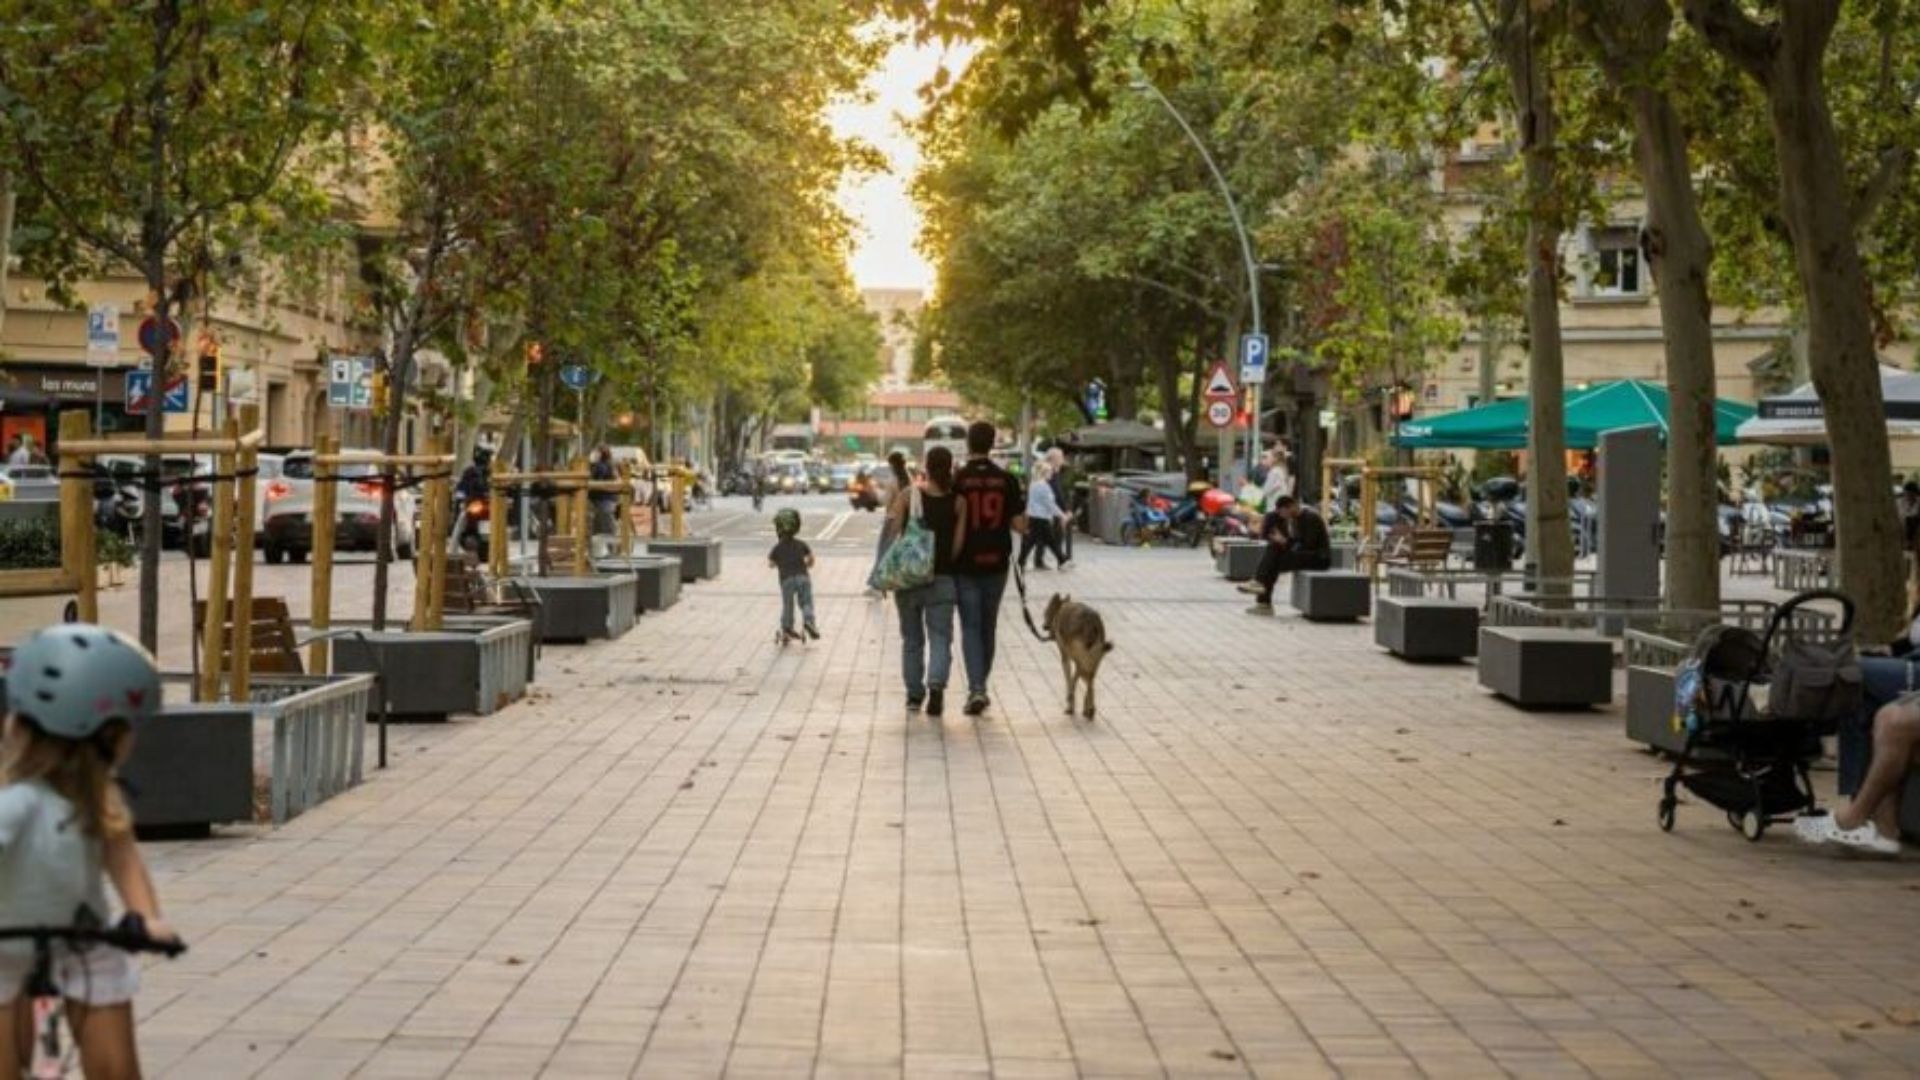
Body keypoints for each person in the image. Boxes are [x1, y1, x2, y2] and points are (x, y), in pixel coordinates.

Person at [0, 624, 177, 1077]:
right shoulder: (17, 804)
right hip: (6, 949)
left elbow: (123, 860)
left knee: (116, 1065)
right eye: (126, 728)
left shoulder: (102, 799)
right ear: (96, 733)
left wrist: (147, 919)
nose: (131, 740)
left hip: (85, 939)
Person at [952, 421, 1025, 716]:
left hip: (965, 563)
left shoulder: (958, 478)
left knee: (970, 625)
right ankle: (981, 684)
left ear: (969, 444)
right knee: (988, 625)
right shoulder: (1007, 480)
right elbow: (1021, 525)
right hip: (997, 562)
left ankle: (977, 688)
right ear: (992, 443)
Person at [890, 446, 966, 716]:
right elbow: (958, 546)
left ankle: (913, 695)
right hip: (942, 577)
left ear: (926, 466)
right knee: (941, 638)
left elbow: (893, 532)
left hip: (909, 579)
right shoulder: (958, 502)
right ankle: (936, 688)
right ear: (950, 467)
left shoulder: (909, 495)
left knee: (911, 640)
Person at [1237, 495, 1331, 612]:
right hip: (1305, 555)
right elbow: (1297, 544)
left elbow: (1307, 545)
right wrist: (1283, 541)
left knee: (1273, 560)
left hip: (1319, 559)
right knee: (1273, 554)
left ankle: (1263, 598)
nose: (1282, 516)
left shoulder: (1310, 517)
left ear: (1292, 506)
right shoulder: (1294, 519)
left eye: (1283, 512)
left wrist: (1285, 541)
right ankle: (1262, 596)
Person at [768, 508, 819, 642]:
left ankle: (787, 628)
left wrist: (779, 563)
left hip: (786, 580)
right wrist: (806, 566)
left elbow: (771, 564)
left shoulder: (777, 547)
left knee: (788, 604)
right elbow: (811, 560)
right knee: (806, 601)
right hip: (803, 577)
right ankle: (809, 621)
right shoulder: (801, 544)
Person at [1020, 463, 1069, 570]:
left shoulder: (1033, 484)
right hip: (1041, 518)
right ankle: (1062, 560)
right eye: (1049, 471)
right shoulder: (1043, 486)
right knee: (1048, 541)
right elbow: (1050, 504)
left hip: (1034, 517)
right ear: (1043, 473)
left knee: (1034, 541)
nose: (1051, 473)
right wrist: (1062, 515)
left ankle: (1021, 561)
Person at [588, 446, 617, 536]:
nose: (594, 455)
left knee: (605, 528)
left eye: (596, 452)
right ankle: (609, 548)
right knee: (601, 527)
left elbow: (596, 478)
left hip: (603, 500)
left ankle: (612, 548)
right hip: (605, 500)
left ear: (601, 454)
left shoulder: (601, 465)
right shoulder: (609, 464)